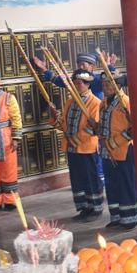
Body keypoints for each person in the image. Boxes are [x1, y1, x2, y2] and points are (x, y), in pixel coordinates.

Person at [49, 70, 103, 222]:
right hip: (72, 148)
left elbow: (92, 128)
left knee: (90, 178)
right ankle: (83, 207)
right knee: (77, 179)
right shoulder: (70, 101)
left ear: (88, 84)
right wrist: (54, 118)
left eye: (80, 83)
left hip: (86, 148)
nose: (77, 85)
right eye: (75, 83)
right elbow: (64, 125)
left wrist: (75, 139)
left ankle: (95, 208)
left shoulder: (95, 103)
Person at [92, 73, 137, 230]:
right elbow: (104, 127)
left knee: (126, 183)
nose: (104, 87)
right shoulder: (103, 103)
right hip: (106, 151)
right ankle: (117, 216)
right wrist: (95, 126)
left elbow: (134, 129)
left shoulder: (126, 103)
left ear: (118, 86)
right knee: (112, 185)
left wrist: (113, 142)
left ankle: (130, 217)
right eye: (104, 84)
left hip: (123, 150)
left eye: (108, 84)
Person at [0, 70, 22, 212]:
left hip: (6, 137)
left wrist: (16, 138)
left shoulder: (9, 98)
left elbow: (16, 118)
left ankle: (10, 201)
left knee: (9, 170)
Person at [34, 52, 117, 100]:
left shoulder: (97, 80)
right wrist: (44, 69)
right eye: (79, 65)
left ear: (92, 67)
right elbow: (57, 80)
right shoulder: (75, 80)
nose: (81, 67)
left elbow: (113, 79)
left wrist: (109, 65)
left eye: (83, 65)